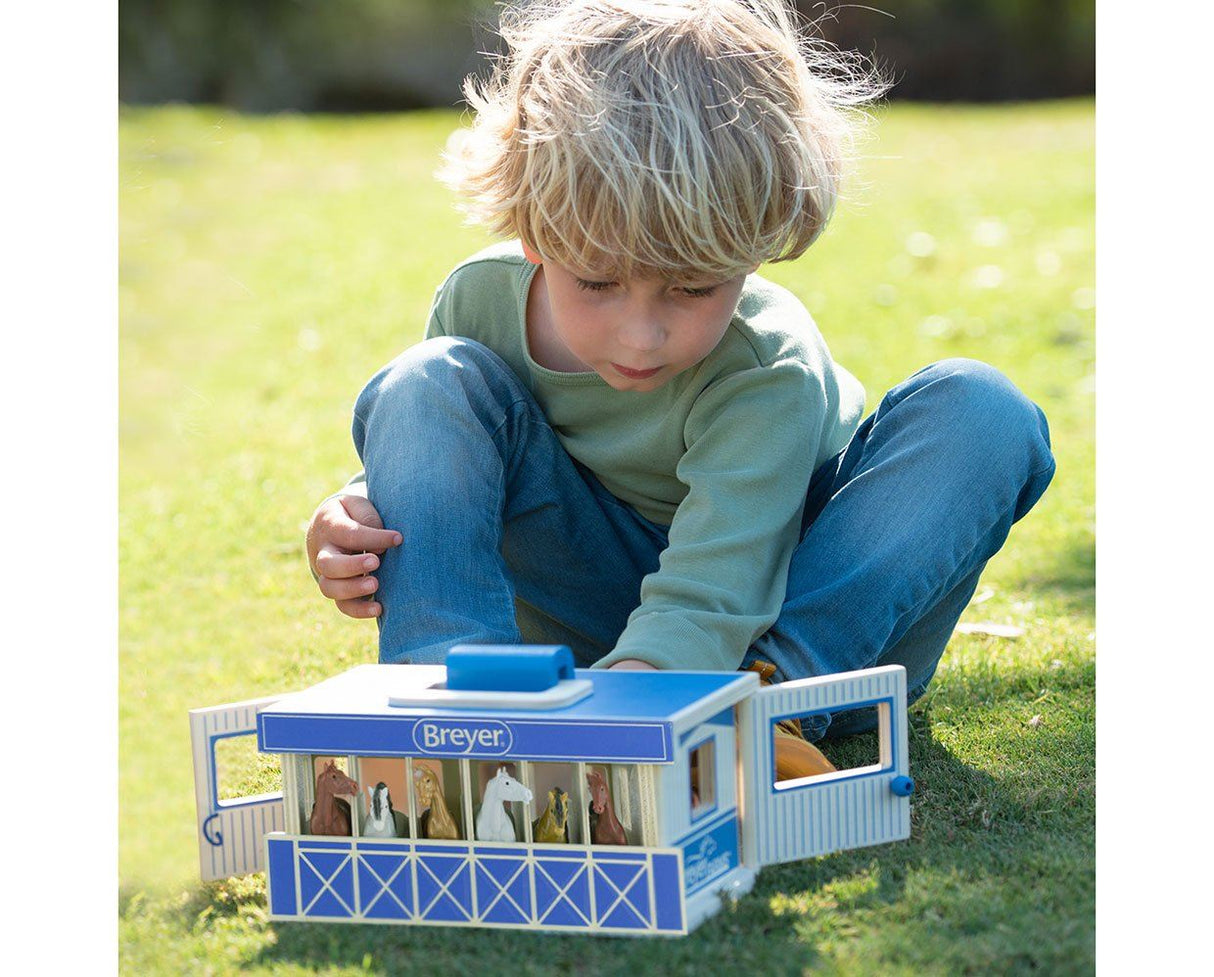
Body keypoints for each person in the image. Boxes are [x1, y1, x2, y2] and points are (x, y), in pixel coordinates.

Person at [304, 0, 1055, 779]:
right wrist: (358, 511)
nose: (641, 334)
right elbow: (441, 455)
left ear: (758, 245)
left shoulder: (766, 363)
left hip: (806, 619)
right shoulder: (478, 304)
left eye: (693, 288)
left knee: (984, 410)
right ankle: (449, 714)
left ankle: (760, 706)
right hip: (591, 625)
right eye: (597, 281)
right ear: (532, 230)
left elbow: (720, 578)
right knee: (426, 378)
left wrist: (649, 704)